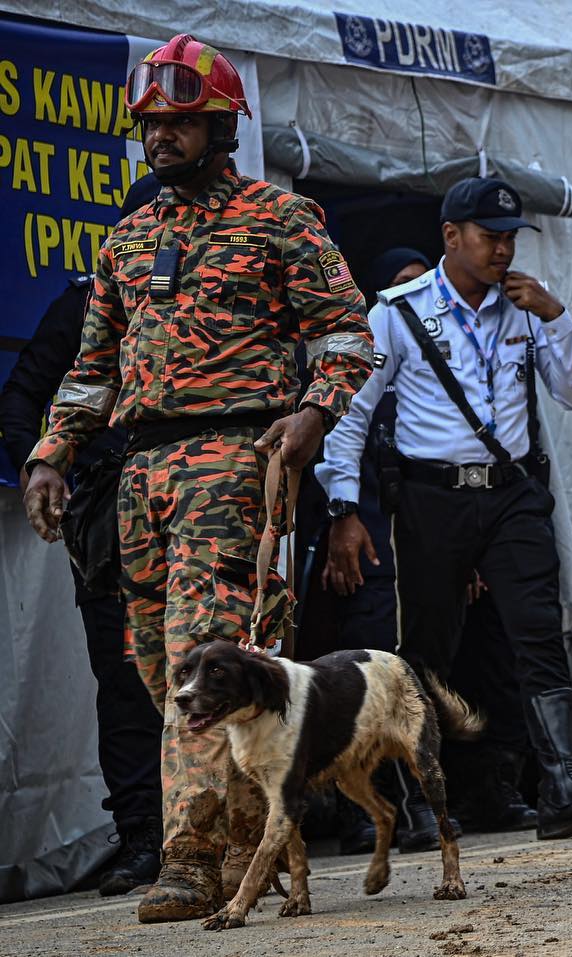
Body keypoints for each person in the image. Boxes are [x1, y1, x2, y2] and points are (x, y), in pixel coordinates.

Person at [21, 34, 373, 922]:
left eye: (178, 120)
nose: (159, 136)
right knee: (156, 670)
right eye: (149, 122)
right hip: (140, 474)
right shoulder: (128, 237)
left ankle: (189, 856)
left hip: (234, 461)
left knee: (197, 660)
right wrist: (51, 452)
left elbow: (346, 334)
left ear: (221, 124)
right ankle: (250, 827)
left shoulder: (280, 219)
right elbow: (91, 367)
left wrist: (315, 412)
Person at [316, 176, 572, 842]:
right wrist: (343, 506)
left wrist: (557, 316)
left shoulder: (525, 307)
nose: (502, 251)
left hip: (513, 492)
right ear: (451, 237)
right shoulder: (397, 312)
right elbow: (351, 415)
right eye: (490, 237)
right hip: (432, 497)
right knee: (426, 650)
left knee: (537, 630)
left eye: (510, 238)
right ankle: (414, 800)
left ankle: (563, 784)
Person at [0, 177, 165, 897]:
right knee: (126, 684)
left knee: (215, 669)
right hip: (111, 523)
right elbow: (23, 399)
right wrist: (53, 475)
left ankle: (219, 830)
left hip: (202, 506)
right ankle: (141, 840)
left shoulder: (212, 298)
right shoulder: (85, 304)